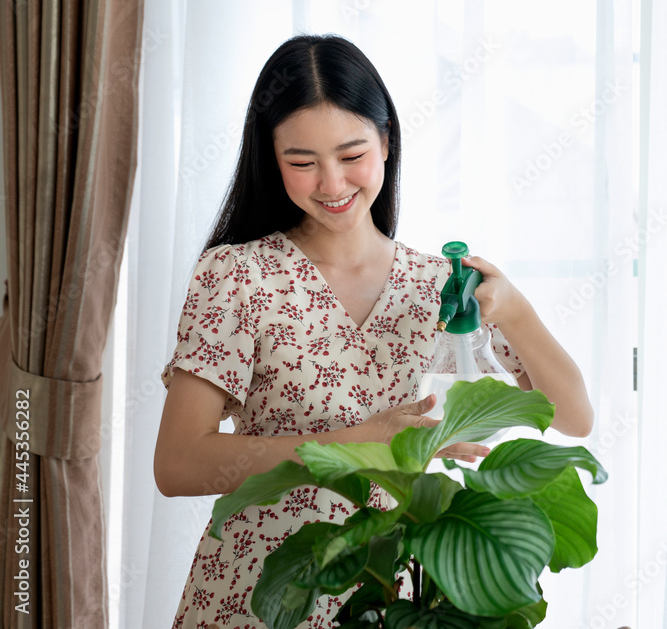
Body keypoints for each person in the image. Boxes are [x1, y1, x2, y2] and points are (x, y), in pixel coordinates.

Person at [153, 34, 594, 628]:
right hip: (259, 593)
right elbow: (178, 463)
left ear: (387, 142)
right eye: (302, 162)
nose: (332, 184)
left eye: (352, 154)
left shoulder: (439, 284)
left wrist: (515, 309)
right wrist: (363, 440)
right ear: (271, 158)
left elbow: (573, 416)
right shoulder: (236, 275)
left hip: (396, 598)